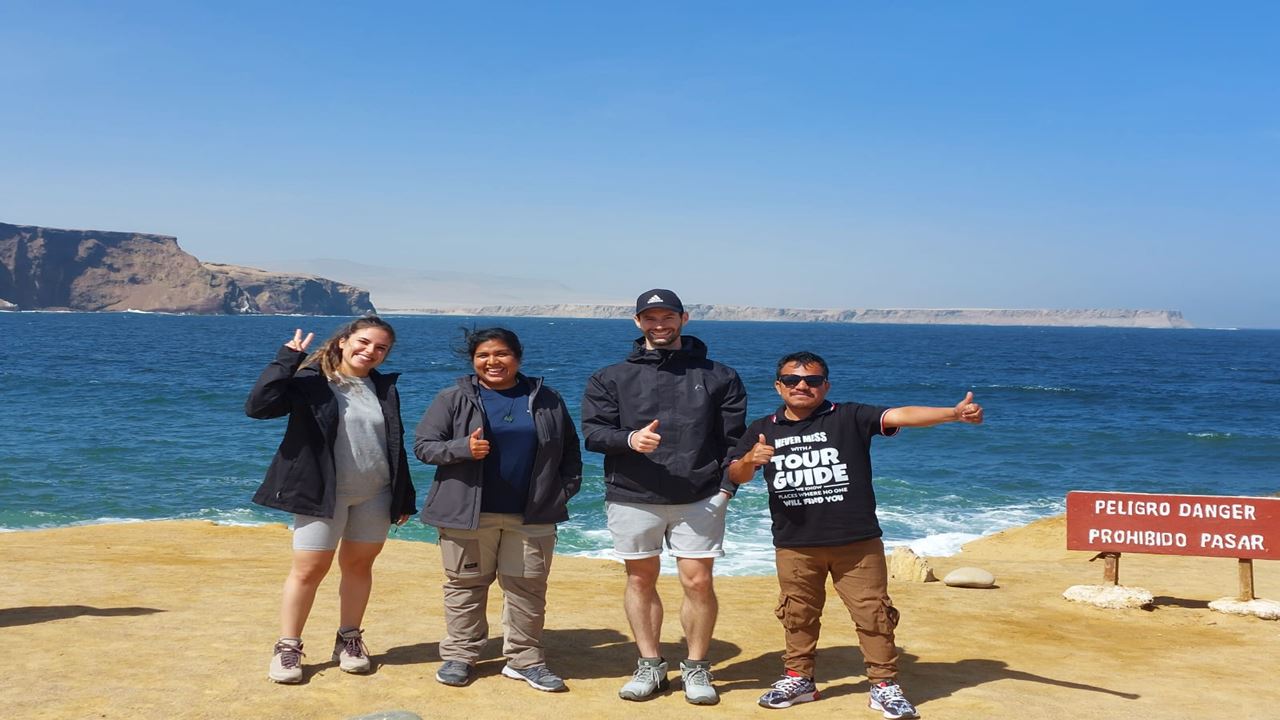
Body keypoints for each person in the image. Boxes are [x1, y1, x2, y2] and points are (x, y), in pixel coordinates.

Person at [726, 351, 983, 718]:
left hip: (856, 542)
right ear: (778, 386)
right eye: (793, 380)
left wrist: (953, 414)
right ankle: (799, 679)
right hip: (795, 543)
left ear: (825, 386)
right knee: (797, 614)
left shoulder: (848, 416)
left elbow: (900, 415)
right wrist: (750, 459)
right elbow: (736, 475)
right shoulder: (762, 428)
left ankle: (884, 686)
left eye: (813, 381)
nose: (802, 386)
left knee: (874, 615)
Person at [581, 289, 747, 705]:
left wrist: (726, 488)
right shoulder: (610, 377)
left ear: (684, 319)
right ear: (638, 322)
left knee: (699, 581)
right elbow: (594, 433)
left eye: (667, 317)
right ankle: (650, 664)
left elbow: (734, 441)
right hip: (632, 494)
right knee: (640, 578)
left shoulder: (720, 376)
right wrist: (630, 439)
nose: (660, 325)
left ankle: (696, 667)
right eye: (650, 318)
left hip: (700, 495)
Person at [245, 316, 417, 684]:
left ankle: (349, 640)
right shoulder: (312, 380)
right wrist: (286, 359)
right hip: (322, 492)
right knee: (309, 571)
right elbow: (259, 407)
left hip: (375, 493)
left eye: (381, 348)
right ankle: (288, 647)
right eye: (364, 342)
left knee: (359, 567)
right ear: (343, 340)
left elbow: (393, 443)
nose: (370, 351)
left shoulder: (382, 387)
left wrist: (404, 495)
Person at [414, 328, 582, 692]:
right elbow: (424, 446)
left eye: (501, 354)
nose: (493, 362)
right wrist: (461, 449)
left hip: (532, 515)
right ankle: (461, 655)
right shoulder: (453, 398)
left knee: (527, 588)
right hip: (468, 513)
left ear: (517, 357)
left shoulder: (547, 398)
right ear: (473, 360)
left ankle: (525, 661)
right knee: (465, 587)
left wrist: (561, 492)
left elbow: (569, 449)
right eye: (483, 355)